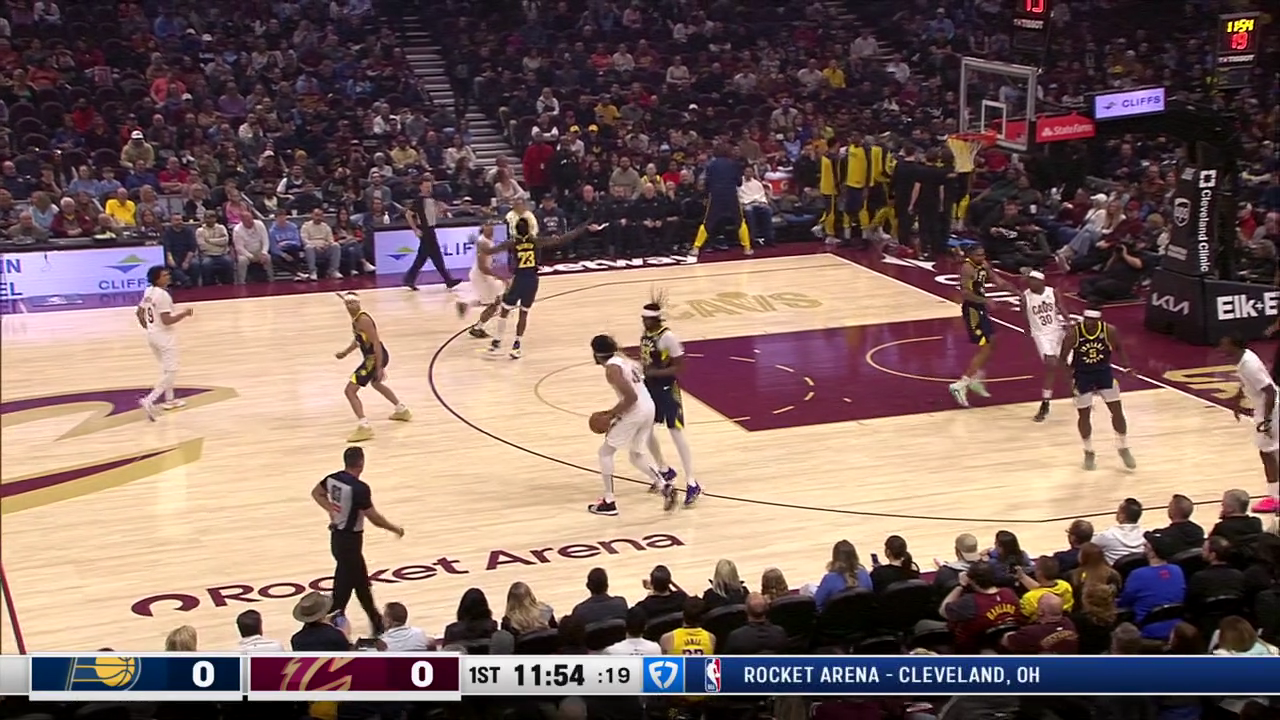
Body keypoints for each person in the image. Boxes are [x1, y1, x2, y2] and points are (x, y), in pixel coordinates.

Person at [309, 446, 404, 636]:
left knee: (361, 584)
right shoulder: (359, 489)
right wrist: (395, 528)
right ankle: (331, 626)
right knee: (343, 590)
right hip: (350, 541)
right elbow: (374, 518)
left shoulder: (333, 478)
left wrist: (331, 509)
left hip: (338, 539)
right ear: (361, 463)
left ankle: (376, 622)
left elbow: (316, 493)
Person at [586, 334, 666, 516]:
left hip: (636, 410)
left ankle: (609, 502)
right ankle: (663, 485)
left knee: (605, 453)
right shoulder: (624, 360)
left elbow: (631, 397)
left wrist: (611, 415)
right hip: (649, 407)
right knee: (636, 455)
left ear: (596, 353)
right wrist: (614, 414)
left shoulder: (612, 369)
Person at [487, 218, 589, 359]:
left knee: (505, 310)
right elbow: (561, 239)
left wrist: (478, 243)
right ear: (529, 229)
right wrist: (580, 228)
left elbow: (490, 251)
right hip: (532, 280)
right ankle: (517, 345)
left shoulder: (512, 243)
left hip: (519, 279)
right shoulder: (536, 241)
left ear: (515, 230)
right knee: (524, 313)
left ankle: (497, 341)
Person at [639, 295, 702, 510]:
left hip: (667, 389)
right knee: (645, 429)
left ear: (656, 319)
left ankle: (692, 481)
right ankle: (665, 469)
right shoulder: (646, 335)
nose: (643, 322)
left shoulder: (668, 337)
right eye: (642, 319)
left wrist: (656, 372)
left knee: (676, 432)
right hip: (649, 388)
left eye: (646, 319)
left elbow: (680, 366)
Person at [1057, 307, 1136, 471]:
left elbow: (1119, 348)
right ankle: (1088, 451)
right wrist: (1069, 379)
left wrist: (1127, 366)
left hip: (1103, 373)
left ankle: (1123, 447)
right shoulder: (1074, 334)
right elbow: (1062, 358)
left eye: (1093, 321)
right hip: (1082, 375)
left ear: (1099, 321)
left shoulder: (1109, 331)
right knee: (1084, 415)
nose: (1089, 323)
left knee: (1117, 411)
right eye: (1087, 319)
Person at [333, 292, 411, 443]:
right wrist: (345, 352)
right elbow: (358, 341)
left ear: (359, 303)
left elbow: (376, 342)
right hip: (372, 358)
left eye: (354, 303)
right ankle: (402, 410)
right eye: (348, 303)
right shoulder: (356, 319)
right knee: (376, 383)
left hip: (374, 358)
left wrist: (379, 367)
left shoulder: (363, 320)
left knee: (350, 391)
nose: (351, 306)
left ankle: (364, 427)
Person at [949, 244, 1015, 407]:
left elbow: (998, 280)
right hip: (972, 310)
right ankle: (961, 384)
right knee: (986, 346)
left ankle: (975, 377)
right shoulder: (967, 269)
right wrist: (986, 300)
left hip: (981, 309)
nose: (982, 257)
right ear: (970, 255)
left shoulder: (984, 265)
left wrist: (1015, 290)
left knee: (991, 343)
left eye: (983, 254)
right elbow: (965, 294)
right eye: (978, 255)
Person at [1219, 336, 1279, 513]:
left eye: (1224, 345)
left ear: (1234, 345)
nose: (1221, 348)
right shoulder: (1243, 358)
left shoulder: (1249, 364)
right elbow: (1246, 381)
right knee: (1270, 451)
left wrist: (1267, 419)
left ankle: (1275, 498)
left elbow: (1270, 391)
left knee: (1267, 453)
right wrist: (1238, 398)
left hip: (1270, 409)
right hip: (1267, 409)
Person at [135, 266, 193, 420]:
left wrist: (149, 328)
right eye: (164, 275)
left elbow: (139, 312)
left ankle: (170, 399)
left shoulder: (149, 291)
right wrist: (184, 314)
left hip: (152, 336)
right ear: (157, 279)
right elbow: (167, 320)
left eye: (168, 274)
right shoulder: (163, 296)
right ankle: (149, 400)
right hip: (165, 337)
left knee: (166, 368)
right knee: (172, 370)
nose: (168, 277)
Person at [1022, 270, 1068, 422]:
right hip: (1041, 335)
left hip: (1057, 331)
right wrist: (1027, 330)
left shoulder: (1052, 292)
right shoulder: (1026, 296)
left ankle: (1079, 392)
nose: (1030, 283)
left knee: (1069, 365)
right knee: (1051, 365)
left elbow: (1060, 306)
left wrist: (1068, 321)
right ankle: (1045, 403)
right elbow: (1023, 314)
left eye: (1033, 280)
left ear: (1042, 281)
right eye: (1029, 280)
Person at [403, 180, 461, 292]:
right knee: (435, 257)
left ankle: (409, 279)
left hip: (431, 230)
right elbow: (408, 214)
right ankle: (448, 280)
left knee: (424, 258)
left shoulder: (431, 199)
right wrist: (415, 230)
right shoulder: (419, 200)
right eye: (426, 187)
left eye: (429, 187)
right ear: (421, 187)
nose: (428, 189)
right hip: (425, 231)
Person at [459, 221, 508, 336]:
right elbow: (482, 267)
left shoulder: (487, 241)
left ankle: (467, 304)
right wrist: (500, 277)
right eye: (488, 226)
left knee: (494, 300)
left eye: (492, 226)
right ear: (483, 228)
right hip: (481, 276)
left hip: (482, 275)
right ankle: (477, 327)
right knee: (494, 303)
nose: (491, 228)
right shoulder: (483, 243)